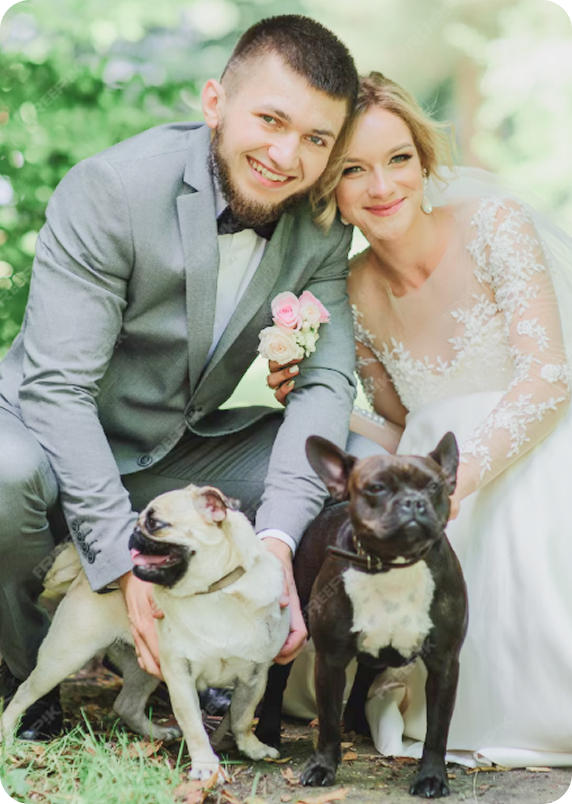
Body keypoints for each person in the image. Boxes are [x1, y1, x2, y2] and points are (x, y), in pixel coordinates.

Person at [0, 16, 385, 739]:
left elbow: (328, 386)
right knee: (2, 471)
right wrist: (120, 564)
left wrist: (275, 543)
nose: (284, 155)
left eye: (315, 139)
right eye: (270, 120)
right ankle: (24, 669)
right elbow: (57, 391)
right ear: (215, 102)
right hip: (41, 432)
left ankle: (250, 666)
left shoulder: (323, 226)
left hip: (178, 450)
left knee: (368, 472)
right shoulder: (111, 189)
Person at [269, 72, 572, 768]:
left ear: (424, 159)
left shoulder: (497, 226)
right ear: (329, 189)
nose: (382, 187)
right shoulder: (350, 287)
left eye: (398, 158)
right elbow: (402, 425)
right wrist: (318, 403)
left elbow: (549, 376)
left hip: (528, 449)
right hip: (426, 481)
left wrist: (460, 478)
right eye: (354, 170)